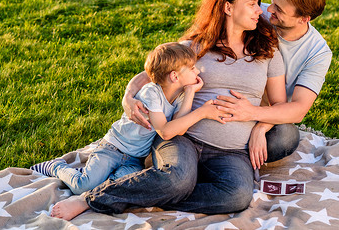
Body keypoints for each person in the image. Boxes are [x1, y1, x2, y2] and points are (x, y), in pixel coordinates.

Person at [50, 0, 288, 220]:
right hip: (183, 138)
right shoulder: (196, 46)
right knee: (176, 179)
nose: (261, 10)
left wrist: (260, 126)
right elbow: (149, 74)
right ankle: (91, 199)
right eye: (252, 4)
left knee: (236, 196)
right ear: (228, 7)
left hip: (232, 151)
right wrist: (128, 97)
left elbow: (280, 104)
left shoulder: (267, 51)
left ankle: (147, 194)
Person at [31, 42, 227, 197]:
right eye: (192, 68)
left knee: (117, 188)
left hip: (135, 159)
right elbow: (166, 131)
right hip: (113, 148)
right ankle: (56, 166)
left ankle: (97, 188)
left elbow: (179, 128)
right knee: (84, 186)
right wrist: (202, 112)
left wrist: (191, 91)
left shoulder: (180, 97)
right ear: (175, 76)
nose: (197, 71)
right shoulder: (151, 93)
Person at [212, 0, 332, 170]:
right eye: (273, 2)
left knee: (286, 137)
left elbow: (299, 110)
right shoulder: (257, 16)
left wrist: (259, 122)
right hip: (228, 92)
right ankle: (228, 154)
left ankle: (229, 156)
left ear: (304, 19)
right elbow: (199, 41)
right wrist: (145, 77)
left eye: (279, 9)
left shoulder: (318, 53)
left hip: (268, 111)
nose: (268, 9)